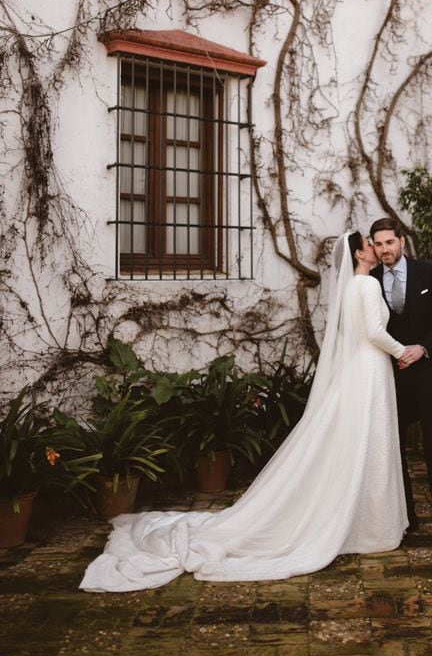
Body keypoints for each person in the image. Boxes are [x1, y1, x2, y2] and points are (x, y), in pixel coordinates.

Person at [80, 231, 408, 591]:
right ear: (360, 253)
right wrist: (403, 350)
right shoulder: (368, 286)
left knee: (362, 441)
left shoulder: (351, 286)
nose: (378, 250)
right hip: (370, 368)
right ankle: (374, 526)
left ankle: (363, 519)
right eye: (372, 245)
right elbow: (375, 332)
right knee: (370, 440)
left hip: (359, 370)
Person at [370, 216, 432, 547]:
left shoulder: (427, 272)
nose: (384, 250)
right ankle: (406, 518)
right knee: (394, 450)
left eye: (389, 243)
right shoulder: (368, 279)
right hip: (391, 377)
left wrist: (422, 347)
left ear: (401, 242)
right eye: (378, 244)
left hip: (428, 374)